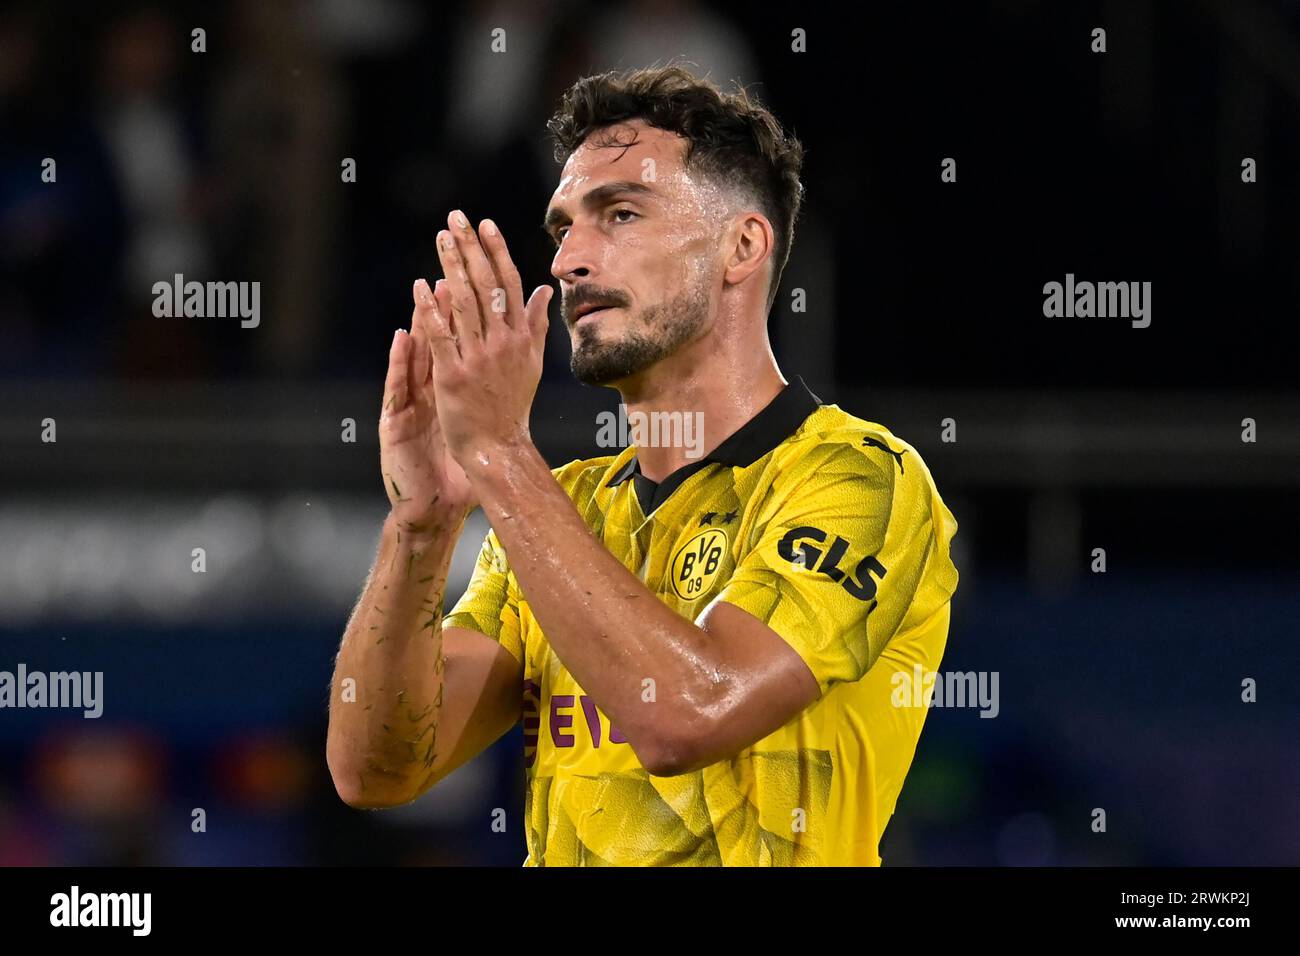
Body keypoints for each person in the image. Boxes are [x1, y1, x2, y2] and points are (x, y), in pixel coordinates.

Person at [326, 65, 959, 866]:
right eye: (562, 231)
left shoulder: (857, 478)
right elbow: (376, 769)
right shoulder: (565, 506)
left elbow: (686, 716)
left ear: (741, 246)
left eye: (620, 214)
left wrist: (501, 457)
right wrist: (421, 526)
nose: (569, 263)